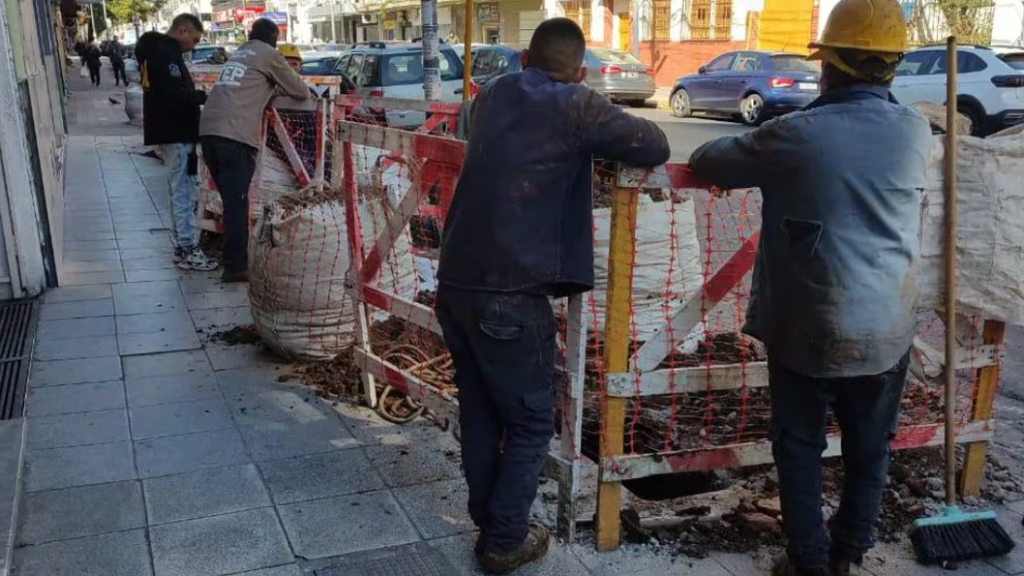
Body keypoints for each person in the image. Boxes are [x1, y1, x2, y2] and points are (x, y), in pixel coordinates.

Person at [686, 0, 932, 574]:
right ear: (891, 66)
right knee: (870, 450)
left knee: (799, 446)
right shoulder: (915, 130)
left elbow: (707, 158)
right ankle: (847, 556)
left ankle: (809, 562)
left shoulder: (799, 133)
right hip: (888, 327)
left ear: (831, 65)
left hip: (811, 324)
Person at [434, 17, 669, 575]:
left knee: (481, 410)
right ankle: (506, 539)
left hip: (456, 283)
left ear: (521, 60)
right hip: (511, 293)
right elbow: (655, 144)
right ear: (579, 73)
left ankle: (491, 522)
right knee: (533, 421)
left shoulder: (489, 96)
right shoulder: (576, 104)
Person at [200, 18, 310, 283]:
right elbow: (300, 90)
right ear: (274, 38)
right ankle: (236, 267)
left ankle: (232, 257)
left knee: (230, 203)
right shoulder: (268, 54)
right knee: (238, 204)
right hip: (234, 135)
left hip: (208, 132)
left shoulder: (240, 53)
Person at [136, 14, 219, 271]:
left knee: (181, 189)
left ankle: (182, 247)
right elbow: (173, 96)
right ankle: (187, 248)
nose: (193, 46)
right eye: (193, 40)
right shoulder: (166, 55)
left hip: (175, 133)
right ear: (182, 30)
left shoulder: (159, 52)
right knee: (184, 191)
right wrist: (200, 95)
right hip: (177, 132)